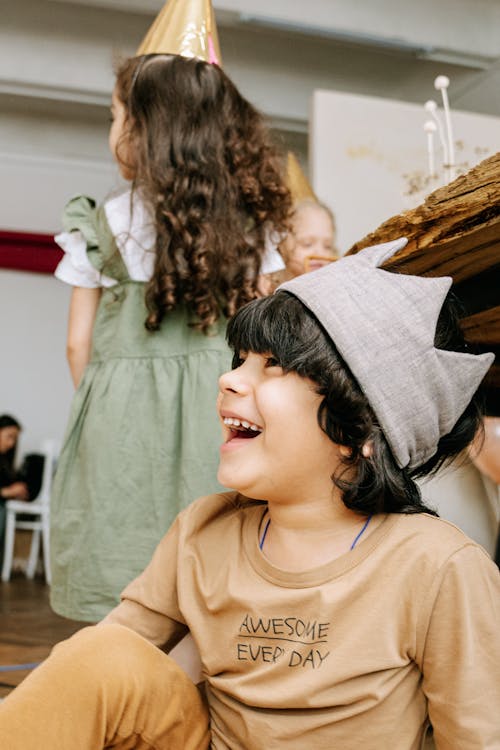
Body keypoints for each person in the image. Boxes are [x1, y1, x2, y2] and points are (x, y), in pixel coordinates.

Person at [1, 238, 499, 749]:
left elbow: (475, 737)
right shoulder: (203, 530)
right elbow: (103, 667)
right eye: (240, 359)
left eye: (273, 364)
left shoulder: (439, 566)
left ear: (361, 432)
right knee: (105, 654)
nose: (229, 378)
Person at [49, 46, 291, 623]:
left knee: (118, 546)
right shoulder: (252, 228)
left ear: (145, 130)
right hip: (221, 411)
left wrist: (106, 400)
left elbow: (76, 344)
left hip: (119, 419)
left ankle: (121, 678)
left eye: (116, 116)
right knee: (211, 553)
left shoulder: (102, 222)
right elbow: (269, 335)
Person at [0, 415, 29, 567]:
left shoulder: (5, 461)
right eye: (9, 437)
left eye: (15, 439)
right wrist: (7, 493)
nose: (11, 443)